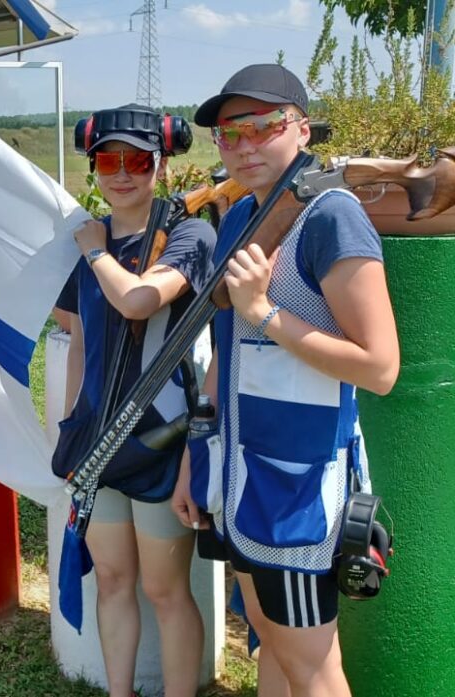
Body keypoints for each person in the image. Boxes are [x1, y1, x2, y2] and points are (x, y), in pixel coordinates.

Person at [171, 64, 400, 697]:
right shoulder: (242, 216)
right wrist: (199, 461)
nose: (242, 145)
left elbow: (381, 368)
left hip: (300, 491)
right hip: (241, 478)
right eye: (227, 133)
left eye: (260, 128)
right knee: (270, 643)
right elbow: (224, 351)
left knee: (314, 669)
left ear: (300, 129)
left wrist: (265, 314)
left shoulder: (332, 217)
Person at [55, 104, 215, 697]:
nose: (123, 174)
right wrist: (72, 425)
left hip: (159, 441)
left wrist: (97, 252)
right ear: (94, 164)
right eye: (109, 161)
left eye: (138, 161)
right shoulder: (89, 240)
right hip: (96, 443)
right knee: (115, 580)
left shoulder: (190, 234)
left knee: (166, 591)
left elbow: (141, 302)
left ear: (162, 164)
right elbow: (77, 340)